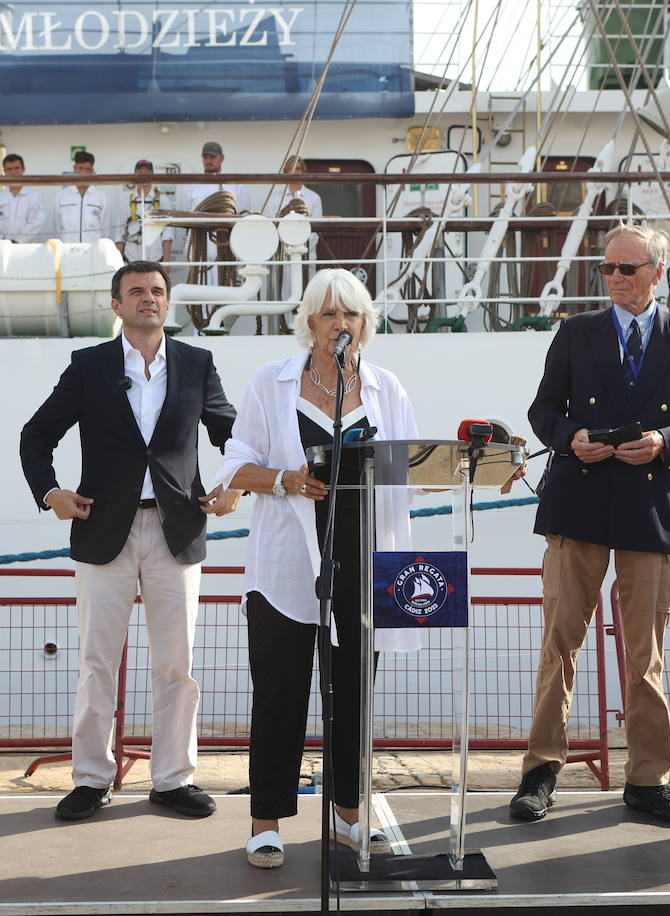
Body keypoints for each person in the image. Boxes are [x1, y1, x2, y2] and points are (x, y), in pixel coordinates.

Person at [511, 223, 670, 826]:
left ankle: (648, 779)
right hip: (577, 502)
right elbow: (542, 409)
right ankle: (541, 770)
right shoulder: (576, 333)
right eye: (608, 269)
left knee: (645, 652)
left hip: (649, 508)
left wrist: (664, 441)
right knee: (559, 643)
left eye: (628, 268)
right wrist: (569, 437)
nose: (616, 278)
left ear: (658, 272)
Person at [214, 268, 420, 869]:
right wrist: (285, 481)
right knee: (278, 696)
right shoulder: (270, 384)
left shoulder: (387, 389)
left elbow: (412, 472)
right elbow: (235, 464)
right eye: (328, 314)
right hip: (285, 571)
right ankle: (266, 822)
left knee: (354, 698)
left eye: (350, 314)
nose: (340, 324)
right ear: (309, 323)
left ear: (365, 324)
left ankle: (349, 817)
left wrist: (476, 470)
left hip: (367, 569)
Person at [20, 260, 238, 823]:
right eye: (136, 291)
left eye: (157, 291)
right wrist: (50, 492)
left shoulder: (197, 363)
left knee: (177, 664)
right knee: (97, 663)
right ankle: (93, 779)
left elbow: (231, 431)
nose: (149, 298)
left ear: (168, 303)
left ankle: (172, 779)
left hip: (177, 529)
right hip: (102, 529)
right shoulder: (88, 366)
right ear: (116, 306)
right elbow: (37, 433)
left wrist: (235, 483)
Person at [178, 141, 247, 286]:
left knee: (226, 289)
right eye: (206, 157)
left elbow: (243, 215)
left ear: (221, 158)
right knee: (199, 293)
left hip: (226, 246)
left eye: (212, 157)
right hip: (198, 245)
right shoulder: (190, 184)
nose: (208, 161)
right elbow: (184, 215)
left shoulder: (236, 184)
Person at [262, 155, 322, 259]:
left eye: (298, 169)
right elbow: (271, 227)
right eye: (291, 169)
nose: (294, 172)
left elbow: (316, 230)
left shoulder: (314, 198)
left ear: (303, 171)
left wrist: (301, 249)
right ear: (286, 172)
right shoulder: (274, 200)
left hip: (307, 255)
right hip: (282, 257)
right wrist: (286, 248)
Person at [116, 159, 172, 262]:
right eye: (140, 173)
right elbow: (120, 234)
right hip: (130, 260)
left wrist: (167, 258)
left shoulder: (163, 200)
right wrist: (118, 261)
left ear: (152, 175)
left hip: (156, 260)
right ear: (134, 175)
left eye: (147, 173)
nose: (143, 176)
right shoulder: (126, 201)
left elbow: (167, 233)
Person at [0, 154, 46, 244]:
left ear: (23, 169)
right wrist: (1, 242)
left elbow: (36, 223)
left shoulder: (35, 197)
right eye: (9, 169)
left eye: (16, 168)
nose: (13, 172)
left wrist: (17, 242)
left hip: (26, 249)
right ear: (4, 171)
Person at [55, 150, 111, 245]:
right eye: (80, 168)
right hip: (68, 249)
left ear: (92, 171)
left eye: (87, 169)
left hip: (93, 250)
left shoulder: (101, 197)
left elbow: (105, 229)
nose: (83, 173)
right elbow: (57, 227)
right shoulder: (61, 196)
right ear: (74, 168)